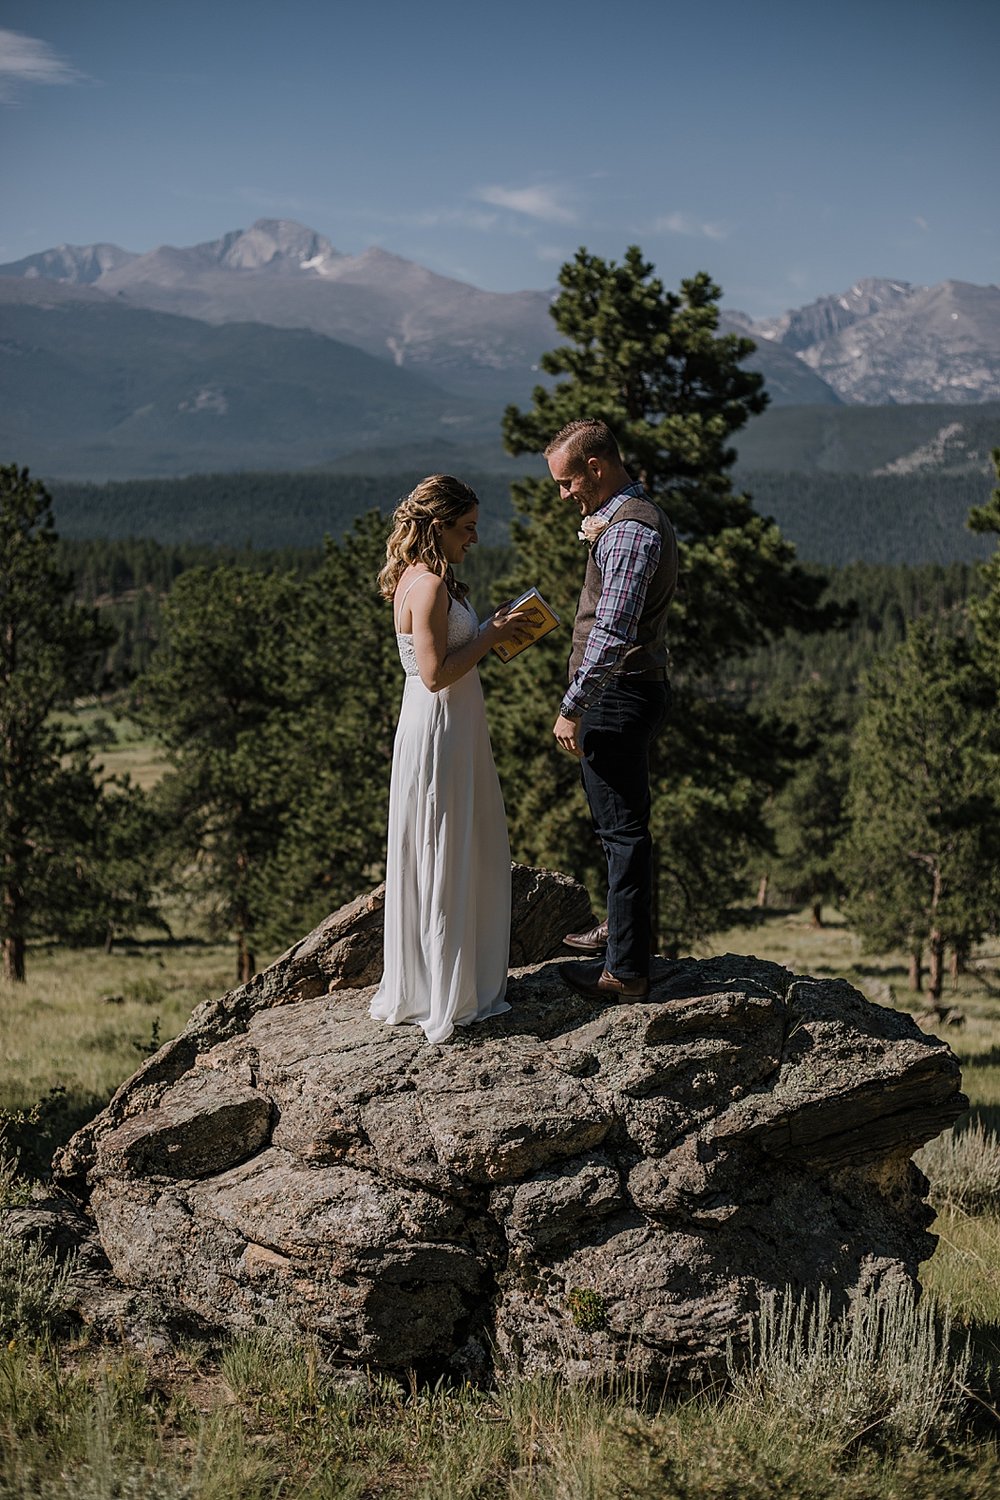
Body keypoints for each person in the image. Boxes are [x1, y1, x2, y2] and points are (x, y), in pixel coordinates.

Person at [370, 475, 531, 1044]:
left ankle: (433, 979)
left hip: (440, 724)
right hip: (441, 725)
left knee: (442, 842)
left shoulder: (418, 580)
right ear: (437, 526)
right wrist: (490, 634)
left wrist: (491, 632)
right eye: (466, 528)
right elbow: (436, 674)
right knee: (448, 843)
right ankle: (448, 989)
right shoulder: (432, 587)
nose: (475, 539)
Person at [547, 419, 678, 1002]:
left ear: (596, 467)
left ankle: (624, 971)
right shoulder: (635, 515)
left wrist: (573, 706)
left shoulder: (629, 532)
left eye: (568, 481)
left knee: (622, 833)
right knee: (620, 828)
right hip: (631, 690)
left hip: (615, 694)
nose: (565, 494)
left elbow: (612, 631)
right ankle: (623, 935)